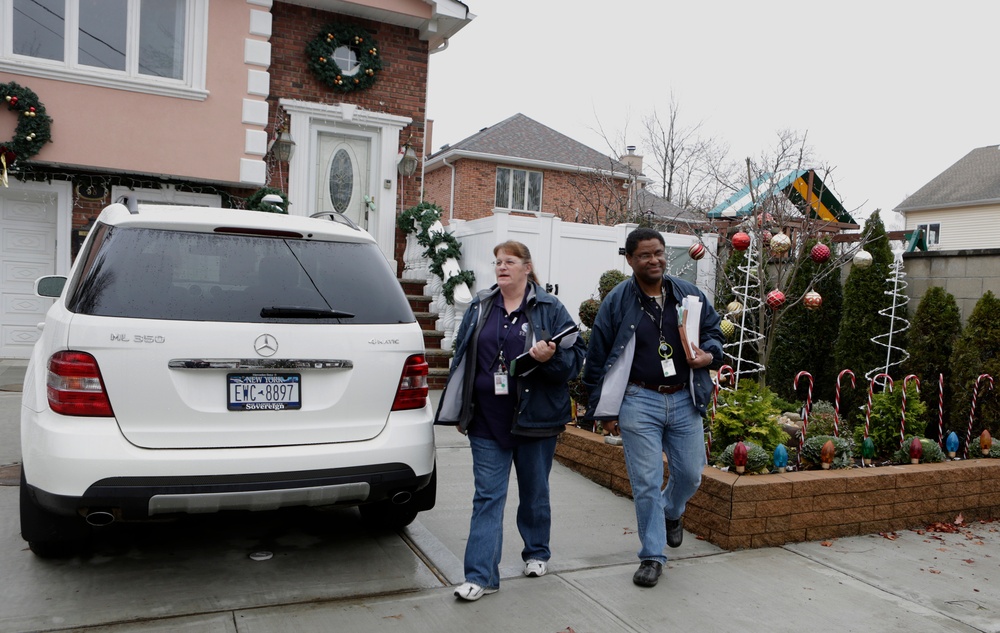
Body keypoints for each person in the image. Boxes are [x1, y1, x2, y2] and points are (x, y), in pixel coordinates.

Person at [435, 240, 585, 602]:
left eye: (510, 261)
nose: (501, 267)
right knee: (487, 497)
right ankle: (480, 575)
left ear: (527, 268)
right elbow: (464, 356)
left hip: (536, 421)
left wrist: (550, 358)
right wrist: (461, 407)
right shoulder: (481, 304)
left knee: (534, 493)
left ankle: (536, 551)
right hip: (487, 419)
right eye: (497, 261)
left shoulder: (550, 308)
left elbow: (576, 360)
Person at [583, 227, 723, 588]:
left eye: (658, 252)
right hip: (638, 398)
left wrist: (708, 354)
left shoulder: (689, 294)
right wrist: (602, 410)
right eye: (644, 255)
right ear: (630, 259)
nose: (654, 260)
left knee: (691, 473)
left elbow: (713, 333)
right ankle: (651, 555)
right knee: (645, 482)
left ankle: (672, 511)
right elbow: (597, 357)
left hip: (683, 397)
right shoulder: (617, 301)